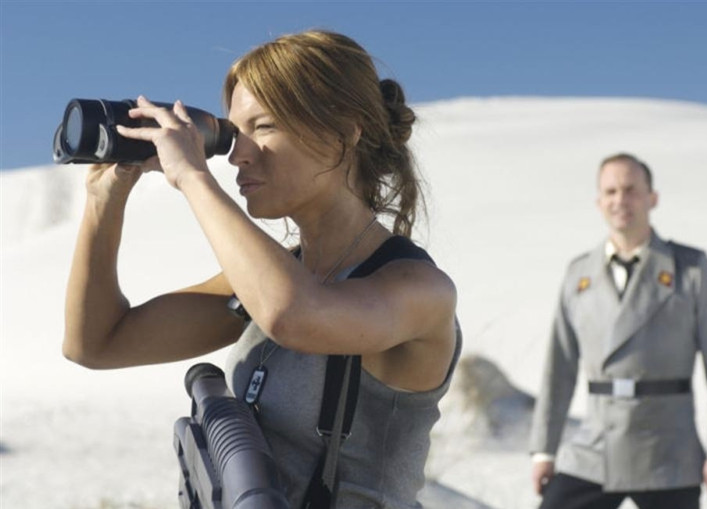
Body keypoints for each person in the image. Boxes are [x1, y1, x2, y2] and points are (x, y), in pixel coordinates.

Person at [62, 30, 460, 508]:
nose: (238, 154)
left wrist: (192, 176)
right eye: (233, 133)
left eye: (264, 127)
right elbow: (96, 343)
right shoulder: (265, 282)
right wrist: (103, 203)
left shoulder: (418, 290)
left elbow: (293, 316)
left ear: (345, 131)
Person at [528, 153, 707, 509]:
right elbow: (558, 368)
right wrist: (543, 451)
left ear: (652, 198)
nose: (620, 200)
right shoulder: (578, 275)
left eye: (630, 190)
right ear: (599, 202)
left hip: (669, 453)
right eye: (610, 192)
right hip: (595, 448)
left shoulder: (691, 270)